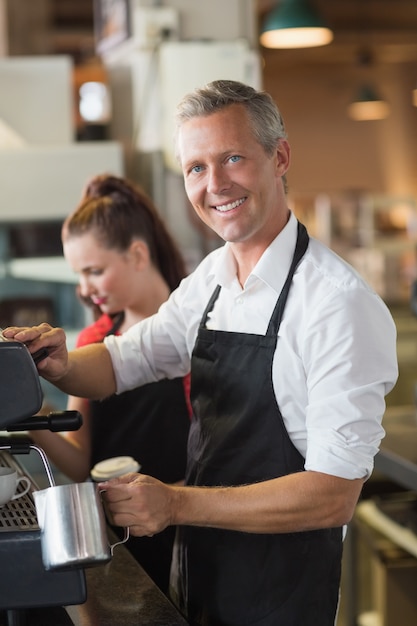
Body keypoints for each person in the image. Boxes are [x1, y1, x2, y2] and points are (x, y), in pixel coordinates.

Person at [5, 80, 398, 626]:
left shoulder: (337, 305)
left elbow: (333, 495)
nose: (215, 184)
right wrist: (60, 362)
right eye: (196, 167)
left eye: (232, 158)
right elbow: (123, 362)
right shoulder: (213, 278)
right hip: (199, 572)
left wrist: (175, 503)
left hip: (278, 593)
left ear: (279, 157)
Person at [29, 174, 191, 593]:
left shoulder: (195, 336)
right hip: (116, 541)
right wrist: (28, 408)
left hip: (188, 536)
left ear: (138, 254)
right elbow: (80, 461)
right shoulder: (93, 342)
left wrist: (174, 501)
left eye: (94, 271)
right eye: (79, 274)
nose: (84, 289)